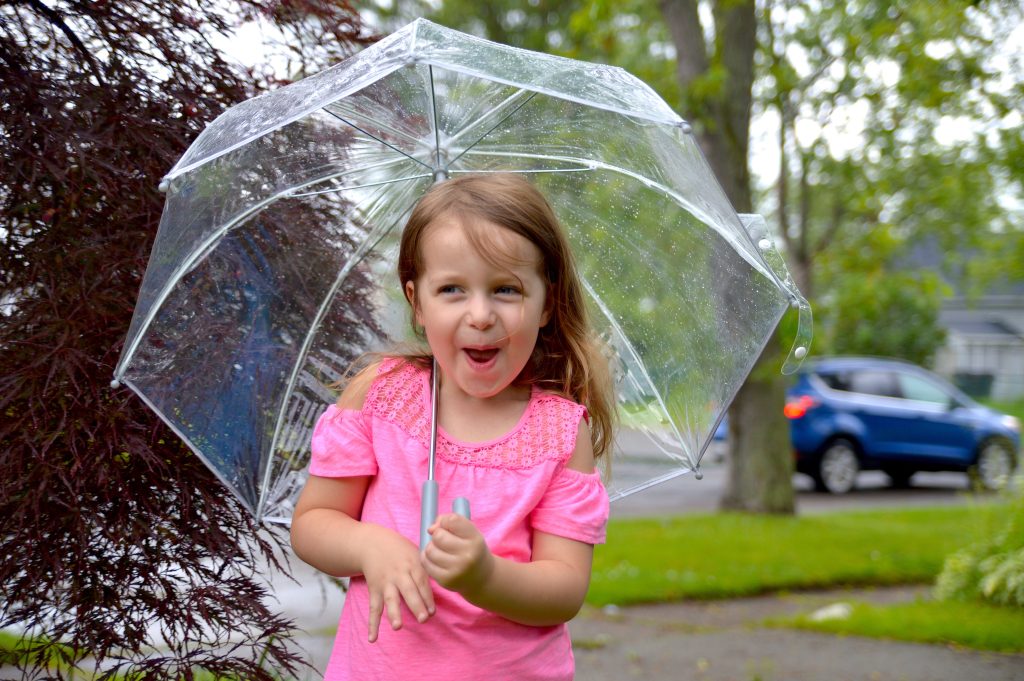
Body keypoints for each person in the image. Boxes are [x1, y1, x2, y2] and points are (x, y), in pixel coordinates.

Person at [290, 173, 616, 681]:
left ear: (547, 302)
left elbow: (564, 590)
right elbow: (313, 524)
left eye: (506, 289)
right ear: (417, 302)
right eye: (452, 290)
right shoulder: (381, 396)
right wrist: (370, 545)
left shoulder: (560, 432)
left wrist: (484, 576)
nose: (480, 314)